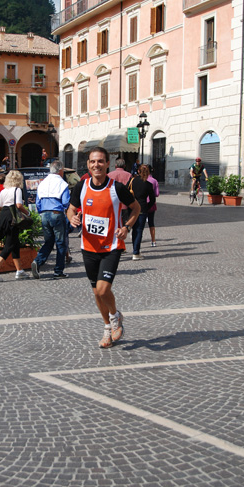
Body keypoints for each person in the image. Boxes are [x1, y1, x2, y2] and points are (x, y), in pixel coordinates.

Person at [67, 147, 140, 349]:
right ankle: (107, 327)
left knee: (103, 288)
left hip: (112, 246)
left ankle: (116, 316)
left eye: (100, 161)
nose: (96, 165)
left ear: (108, 163)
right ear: (88, 165)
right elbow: (71, 209)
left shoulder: (116, 188)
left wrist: (126, 227)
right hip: (88, 246)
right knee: (97, 293)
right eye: (92, 162)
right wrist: (71, 217)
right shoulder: (81, 187)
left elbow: (136, 208)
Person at [0, 171, 31, 282]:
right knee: (9, 245)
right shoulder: (17, 190)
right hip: (13, 218)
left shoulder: (3, 191)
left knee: (14, 244)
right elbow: (19, 205)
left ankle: (19, 271)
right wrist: (28, 213)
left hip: (4, 217)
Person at [31, 159, 70, 279]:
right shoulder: (62, 184)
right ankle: (58, 270)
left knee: (48, 242)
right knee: (60, 243)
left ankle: (38, 261)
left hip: (44, 214)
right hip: (56, 213)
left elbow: (37, 202)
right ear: (60, 171)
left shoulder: (42, 183)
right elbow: (66, 202)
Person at [127, 165, 156, 260]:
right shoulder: (148, 184)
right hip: (142, 208)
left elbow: (125, 192)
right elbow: (152, 199)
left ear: (138, 171)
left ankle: (125, 249)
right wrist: (147, 208)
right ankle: (136, 252)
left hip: (131, 207)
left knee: (132, 228)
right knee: (139, 230)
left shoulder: (132, 181)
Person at [109, 158, 132, 225]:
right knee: (124, 222)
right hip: (125, 202)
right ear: (124, 166)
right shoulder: (129, 175)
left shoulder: (109, 175)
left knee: (113, 222)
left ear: (116, 166)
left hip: (113, 202)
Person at [145, 164, 159, 247]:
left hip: (141, 205)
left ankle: (137, 239)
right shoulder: (154, 181)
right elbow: (156, 194)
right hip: (151, 204)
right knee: (151, 222)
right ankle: (153, 241)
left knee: (140, 224)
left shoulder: (139, 180)